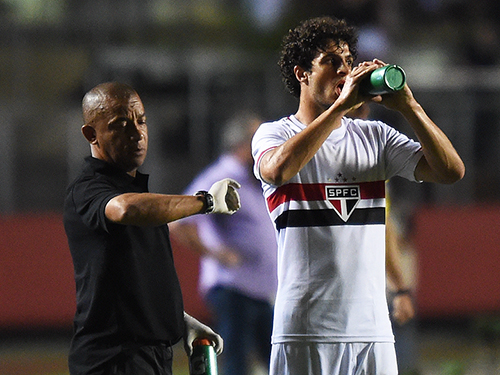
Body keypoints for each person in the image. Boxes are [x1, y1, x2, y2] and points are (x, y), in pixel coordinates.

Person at [251, 16, 465, 375]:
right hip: (305, 331)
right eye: (331, 61)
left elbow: (451, 171)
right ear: (301, 73)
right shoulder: (273, 134)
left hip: (373, 331)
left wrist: (410, 106)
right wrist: (339, 108)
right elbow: (278, 171)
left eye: (348, 60)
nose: (344, 70)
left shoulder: (375, 137)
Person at [63, 82, 241, 375]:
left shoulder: (139, 194)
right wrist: (206, 202)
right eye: (121, 124)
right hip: (113, 360)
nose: (137, 133)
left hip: (149, 356)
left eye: (141, 121)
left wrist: (178, 320)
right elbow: (126, 209)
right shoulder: (88, 189)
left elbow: (132, 281)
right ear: (90, 134)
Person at [170, 111, 278, 375]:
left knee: (278, 361)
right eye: (258, 138)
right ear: (243, 143)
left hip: (259, 289)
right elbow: (178, 219)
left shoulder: (252, 178)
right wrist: (215, 253)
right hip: (234, 287)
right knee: (237, 363)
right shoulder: (222, 174)